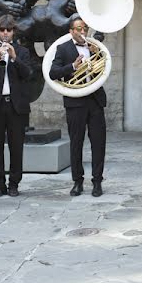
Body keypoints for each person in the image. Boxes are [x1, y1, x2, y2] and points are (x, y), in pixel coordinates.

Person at [49, 17, 108, 197]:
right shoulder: (62, 48)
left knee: (99, 143)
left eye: (85, 28)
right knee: (76, 143)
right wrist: (73, 66)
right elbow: (53, 73)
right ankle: (77, 181)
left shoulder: (95, 46)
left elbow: (103, 69)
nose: (83, 32)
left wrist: (97, 54)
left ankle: (97, 181)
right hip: (75, 102)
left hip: (95, 100)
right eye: (79, 28)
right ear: (71, 31)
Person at [0, 15, 34, 198]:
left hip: (16, 106)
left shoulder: (23, 52)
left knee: (16, 147)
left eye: (8, 30)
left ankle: (14, 184)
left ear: (13, 32)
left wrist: (14, 57)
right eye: (2, 30)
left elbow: (28, 74)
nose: (5, 33)